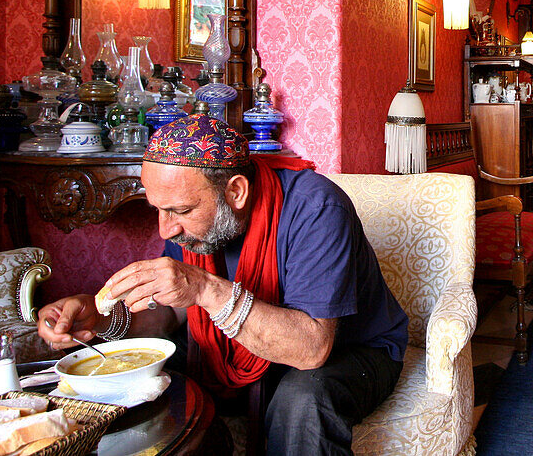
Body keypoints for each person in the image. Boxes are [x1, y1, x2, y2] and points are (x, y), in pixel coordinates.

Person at [37, 113, 408, 455]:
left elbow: (310, 350)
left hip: (350, 348)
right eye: (158, 210)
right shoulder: (185, 223)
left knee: (303, 401)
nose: (166, 229)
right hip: (236, 339)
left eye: (181, 211)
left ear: (236, 192)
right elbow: (172, 315)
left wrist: (203, 288)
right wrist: (100, 321)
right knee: (139, 375)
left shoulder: (317, 210)